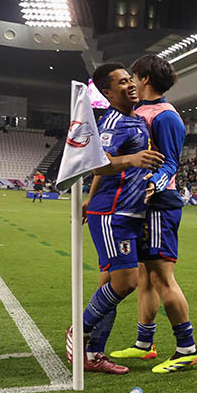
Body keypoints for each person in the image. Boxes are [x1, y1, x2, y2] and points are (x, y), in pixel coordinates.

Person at [65, 62, 165, 374]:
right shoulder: (112, 123)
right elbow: (98, 163)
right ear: (107, 93)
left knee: (110, 283)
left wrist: (90, 196)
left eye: (130, 79)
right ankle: (78, 331)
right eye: (121, 83)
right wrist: (132, 160)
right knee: (126, 281)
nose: (130, 85)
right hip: (113, 213)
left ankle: (94, 353)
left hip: (127, 211)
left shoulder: (135, 120)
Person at [108, 54, 197, 373]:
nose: (131, 81)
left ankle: (187, 348)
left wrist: (153, 185)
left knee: (162, 277)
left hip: (160, 203)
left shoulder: (166, 115)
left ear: (145, 78)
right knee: (145, 276)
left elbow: (171, 162)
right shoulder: (139, 112)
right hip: (141, 204)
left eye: (134, 76)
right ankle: (144, 344)